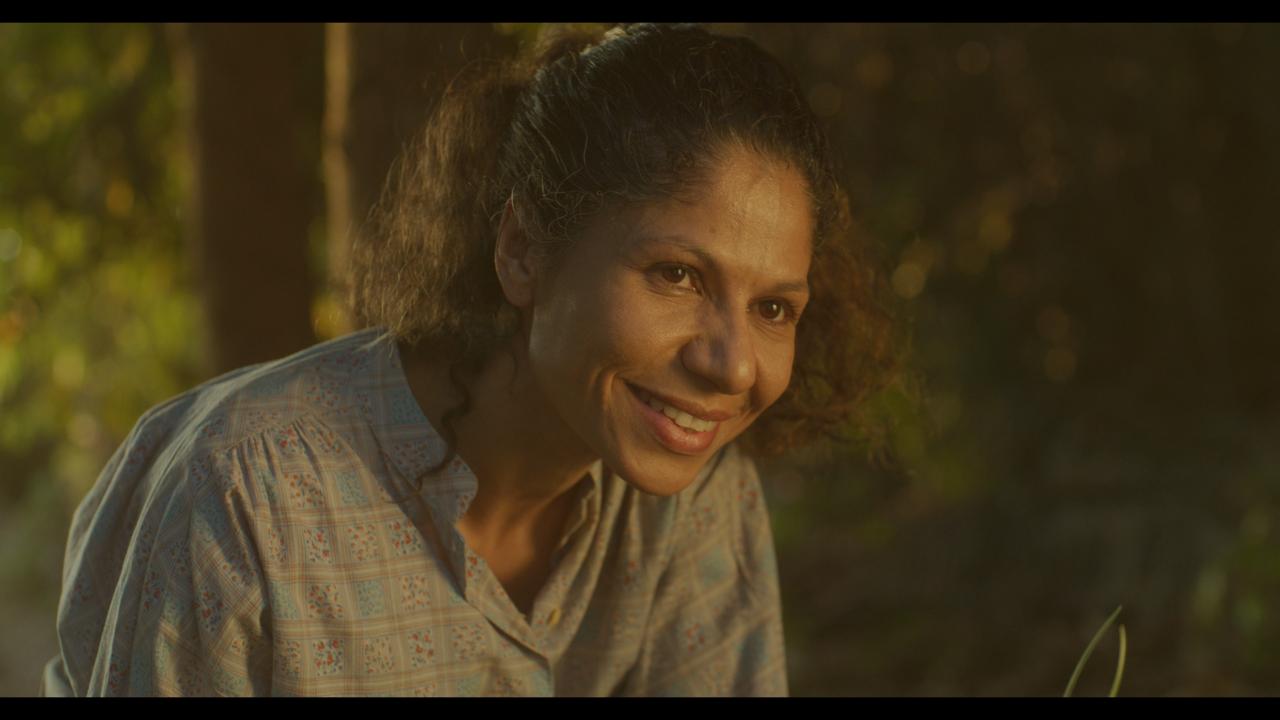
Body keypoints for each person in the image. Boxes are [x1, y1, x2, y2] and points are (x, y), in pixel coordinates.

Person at [42, 23, 896, 696]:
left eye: (774, 307)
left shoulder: (699, 496)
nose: (734, 365)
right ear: (523, 251)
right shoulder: (245, 493)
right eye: (676, 274)